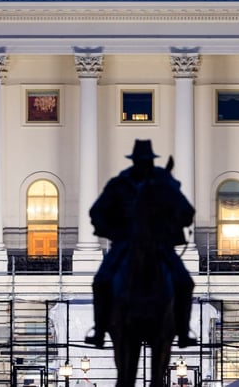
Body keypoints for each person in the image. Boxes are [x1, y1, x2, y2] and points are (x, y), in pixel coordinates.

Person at [85, 139, 197, 349]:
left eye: (147, 162)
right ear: (135, 162)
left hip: (159, 243)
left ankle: (183, 331)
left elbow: (186, 211)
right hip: (125, 243)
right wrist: (114, 232)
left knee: (184, 282)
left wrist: (172, 225)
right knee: (101, 280)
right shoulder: (120, 184)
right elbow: (97, 211)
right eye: (141, 162)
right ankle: (99, 330)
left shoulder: (163, 182)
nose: (145, 166)